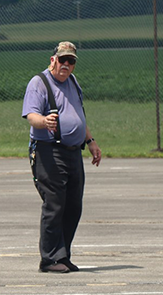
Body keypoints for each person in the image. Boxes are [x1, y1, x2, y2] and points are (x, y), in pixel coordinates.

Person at [21, 41, 101, 273]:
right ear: (53, 59)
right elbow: (31, 115)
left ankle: (63, 255)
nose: (66, 64)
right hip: (48, 150)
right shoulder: (40, 83)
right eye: (62, 59)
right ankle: (49, 259)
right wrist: (44, 122)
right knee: (55, 204)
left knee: (73, 205)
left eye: (71, 61)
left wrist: (91, 141)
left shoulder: (73, 83)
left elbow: (78, 114)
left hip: (74, 152)